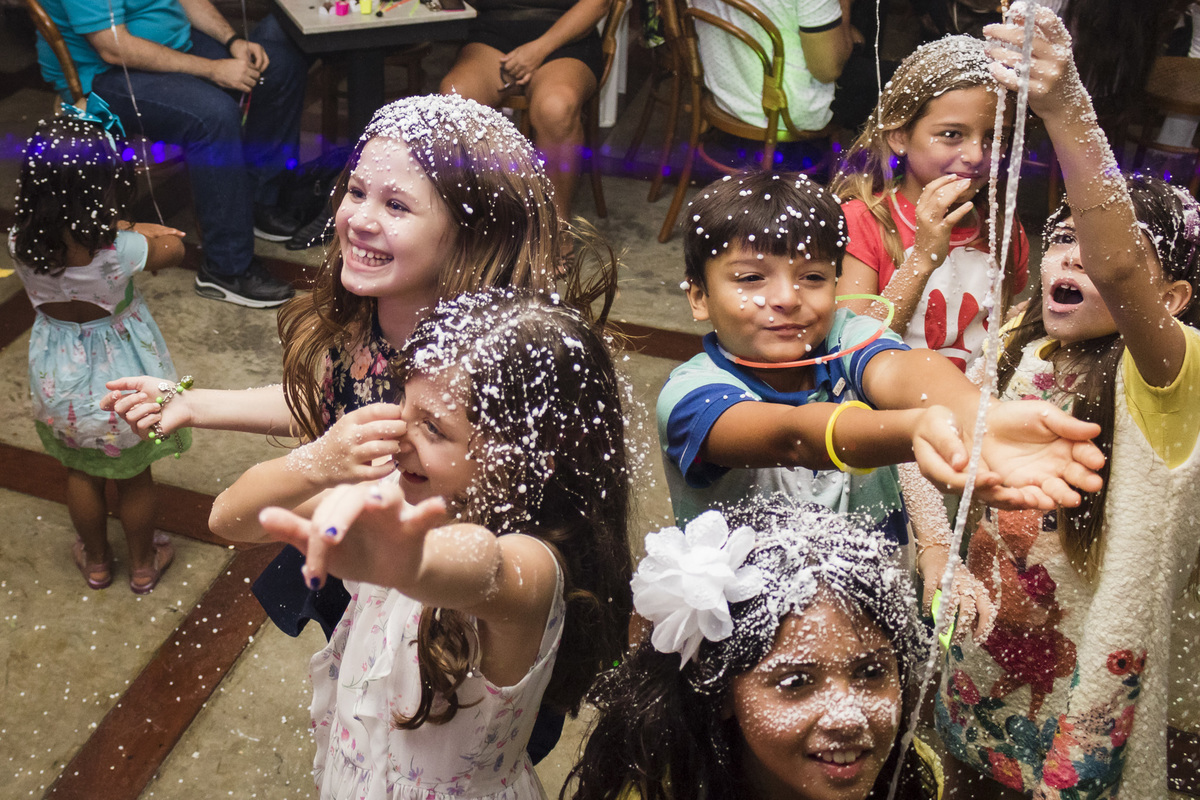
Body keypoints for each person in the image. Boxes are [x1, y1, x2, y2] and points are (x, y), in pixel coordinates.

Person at [103, 93, 615, 636]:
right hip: (362, 581)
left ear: (473, 233)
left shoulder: (477, 362)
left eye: (396, 206)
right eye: (356, 191)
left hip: (454, 607)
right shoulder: (369, 317)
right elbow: (335, 400)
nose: (360, 219)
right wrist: (196, 403)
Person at [934, 7, 1200, 797]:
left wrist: (1065, 107)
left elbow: (1120, 274)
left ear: (1175, 297)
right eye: (1059, 238)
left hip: (1083, 664)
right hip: (986, 640)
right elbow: (942, 431)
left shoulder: (1170, 377)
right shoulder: (1022, 337)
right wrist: (928, 555)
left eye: (1101, 244)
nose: (1074, 257)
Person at [252, 290, 634, 799]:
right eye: (400, 401)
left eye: (432, 426)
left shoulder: (536, 567)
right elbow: (230, 516)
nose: (397, 435)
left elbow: (488, 569)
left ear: (531, 457)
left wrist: (411, 564)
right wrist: (318, 459)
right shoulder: (396, 493)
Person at [660, 170, 1105, 538]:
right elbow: (793, 438)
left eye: (812, 277)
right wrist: (917, 428)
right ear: (699, 297)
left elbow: (908, 368)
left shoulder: (844, 336)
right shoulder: (690, 397)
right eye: (751, 279)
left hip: (875, 594)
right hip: (745, 618)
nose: (786, 298)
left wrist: (979, 415)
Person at [566, 499, 940, 800]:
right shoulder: (656, 792)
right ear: (719, 690)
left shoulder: (914, 775)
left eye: (871, 672)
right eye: (796, 681)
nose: (848, 717)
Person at [10, 113, 188, 594]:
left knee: (81, 474)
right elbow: (175, 247)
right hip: (122, 384)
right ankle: (144, 563)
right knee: (134, 477)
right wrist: (129, 225)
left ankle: (96, 562)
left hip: (60, 384)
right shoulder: (121, 250)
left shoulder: (19, 244)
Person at [32, 0, 306, 308]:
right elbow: (113, 47)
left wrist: (234, 41)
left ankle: (259, 201)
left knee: (279, 67)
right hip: (103, 74)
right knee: (213, 116)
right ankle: (226, 269)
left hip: (172, 44)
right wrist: (213, 69)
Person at [832, 34, 1028, 373]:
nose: (976, 156)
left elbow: (988, 330)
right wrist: (922, 259)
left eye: (996, 138)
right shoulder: (862, 222)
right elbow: (852, 352)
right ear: (899, 136)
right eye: (952, 134)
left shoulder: (1002, 227)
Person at [438, 0, 610, 222]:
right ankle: (478, 226)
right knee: (455, 99)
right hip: (494, 33)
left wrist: (538, 50)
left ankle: (557, 230)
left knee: (555, 108)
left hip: (567, 37)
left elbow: (598, 4)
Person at [690, 0, 854, 136]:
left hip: (724, 91)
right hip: (783, 111)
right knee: (876, 82)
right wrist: (843, 8)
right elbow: (827, 71)